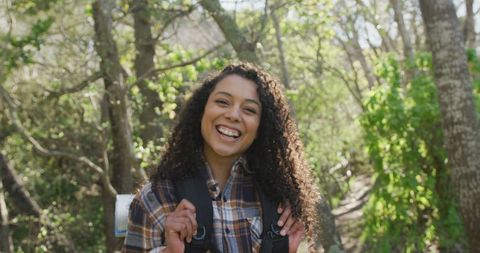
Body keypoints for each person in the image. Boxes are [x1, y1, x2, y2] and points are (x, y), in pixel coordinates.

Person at [123, 63, 319, 253]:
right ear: (202, 111)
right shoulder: (156, 198)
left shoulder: (282, 203)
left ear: (261, 127)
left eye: (249, 110)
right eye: (222, 102)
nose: (233, 115)